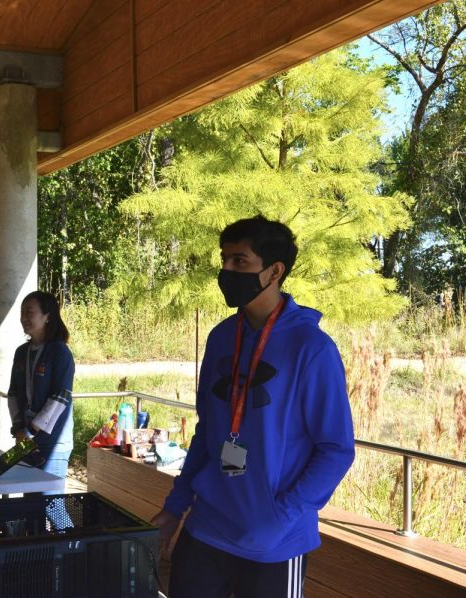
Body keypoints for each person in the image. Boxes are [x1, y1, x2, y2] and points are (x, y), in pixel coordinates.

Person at [151, 215, 355, 598]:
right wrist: (176, 506)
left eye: (239, 261)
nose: (225, 271)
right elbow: (207, 432)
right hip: (206, 529)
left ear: (274, 271)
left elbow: (336, 450)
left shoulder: (312, 349)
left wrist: (282, 517)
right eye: (224, 260)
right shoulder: (222, 338)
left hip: (273, 545)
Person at [7, 291, 75, 500]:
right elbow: (13, 393)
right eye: (22, 313)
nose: (24, 318)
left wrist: (30, 429)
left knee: (52, 506)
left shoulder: (59, 352)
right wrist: (19, 426)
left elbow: (60, 397)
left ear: (47, 316)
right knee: (31, 504)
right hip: (28, 439)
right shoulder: (21, 352)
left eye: (30, 312)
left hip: (52, 442)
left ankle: (72, 535)